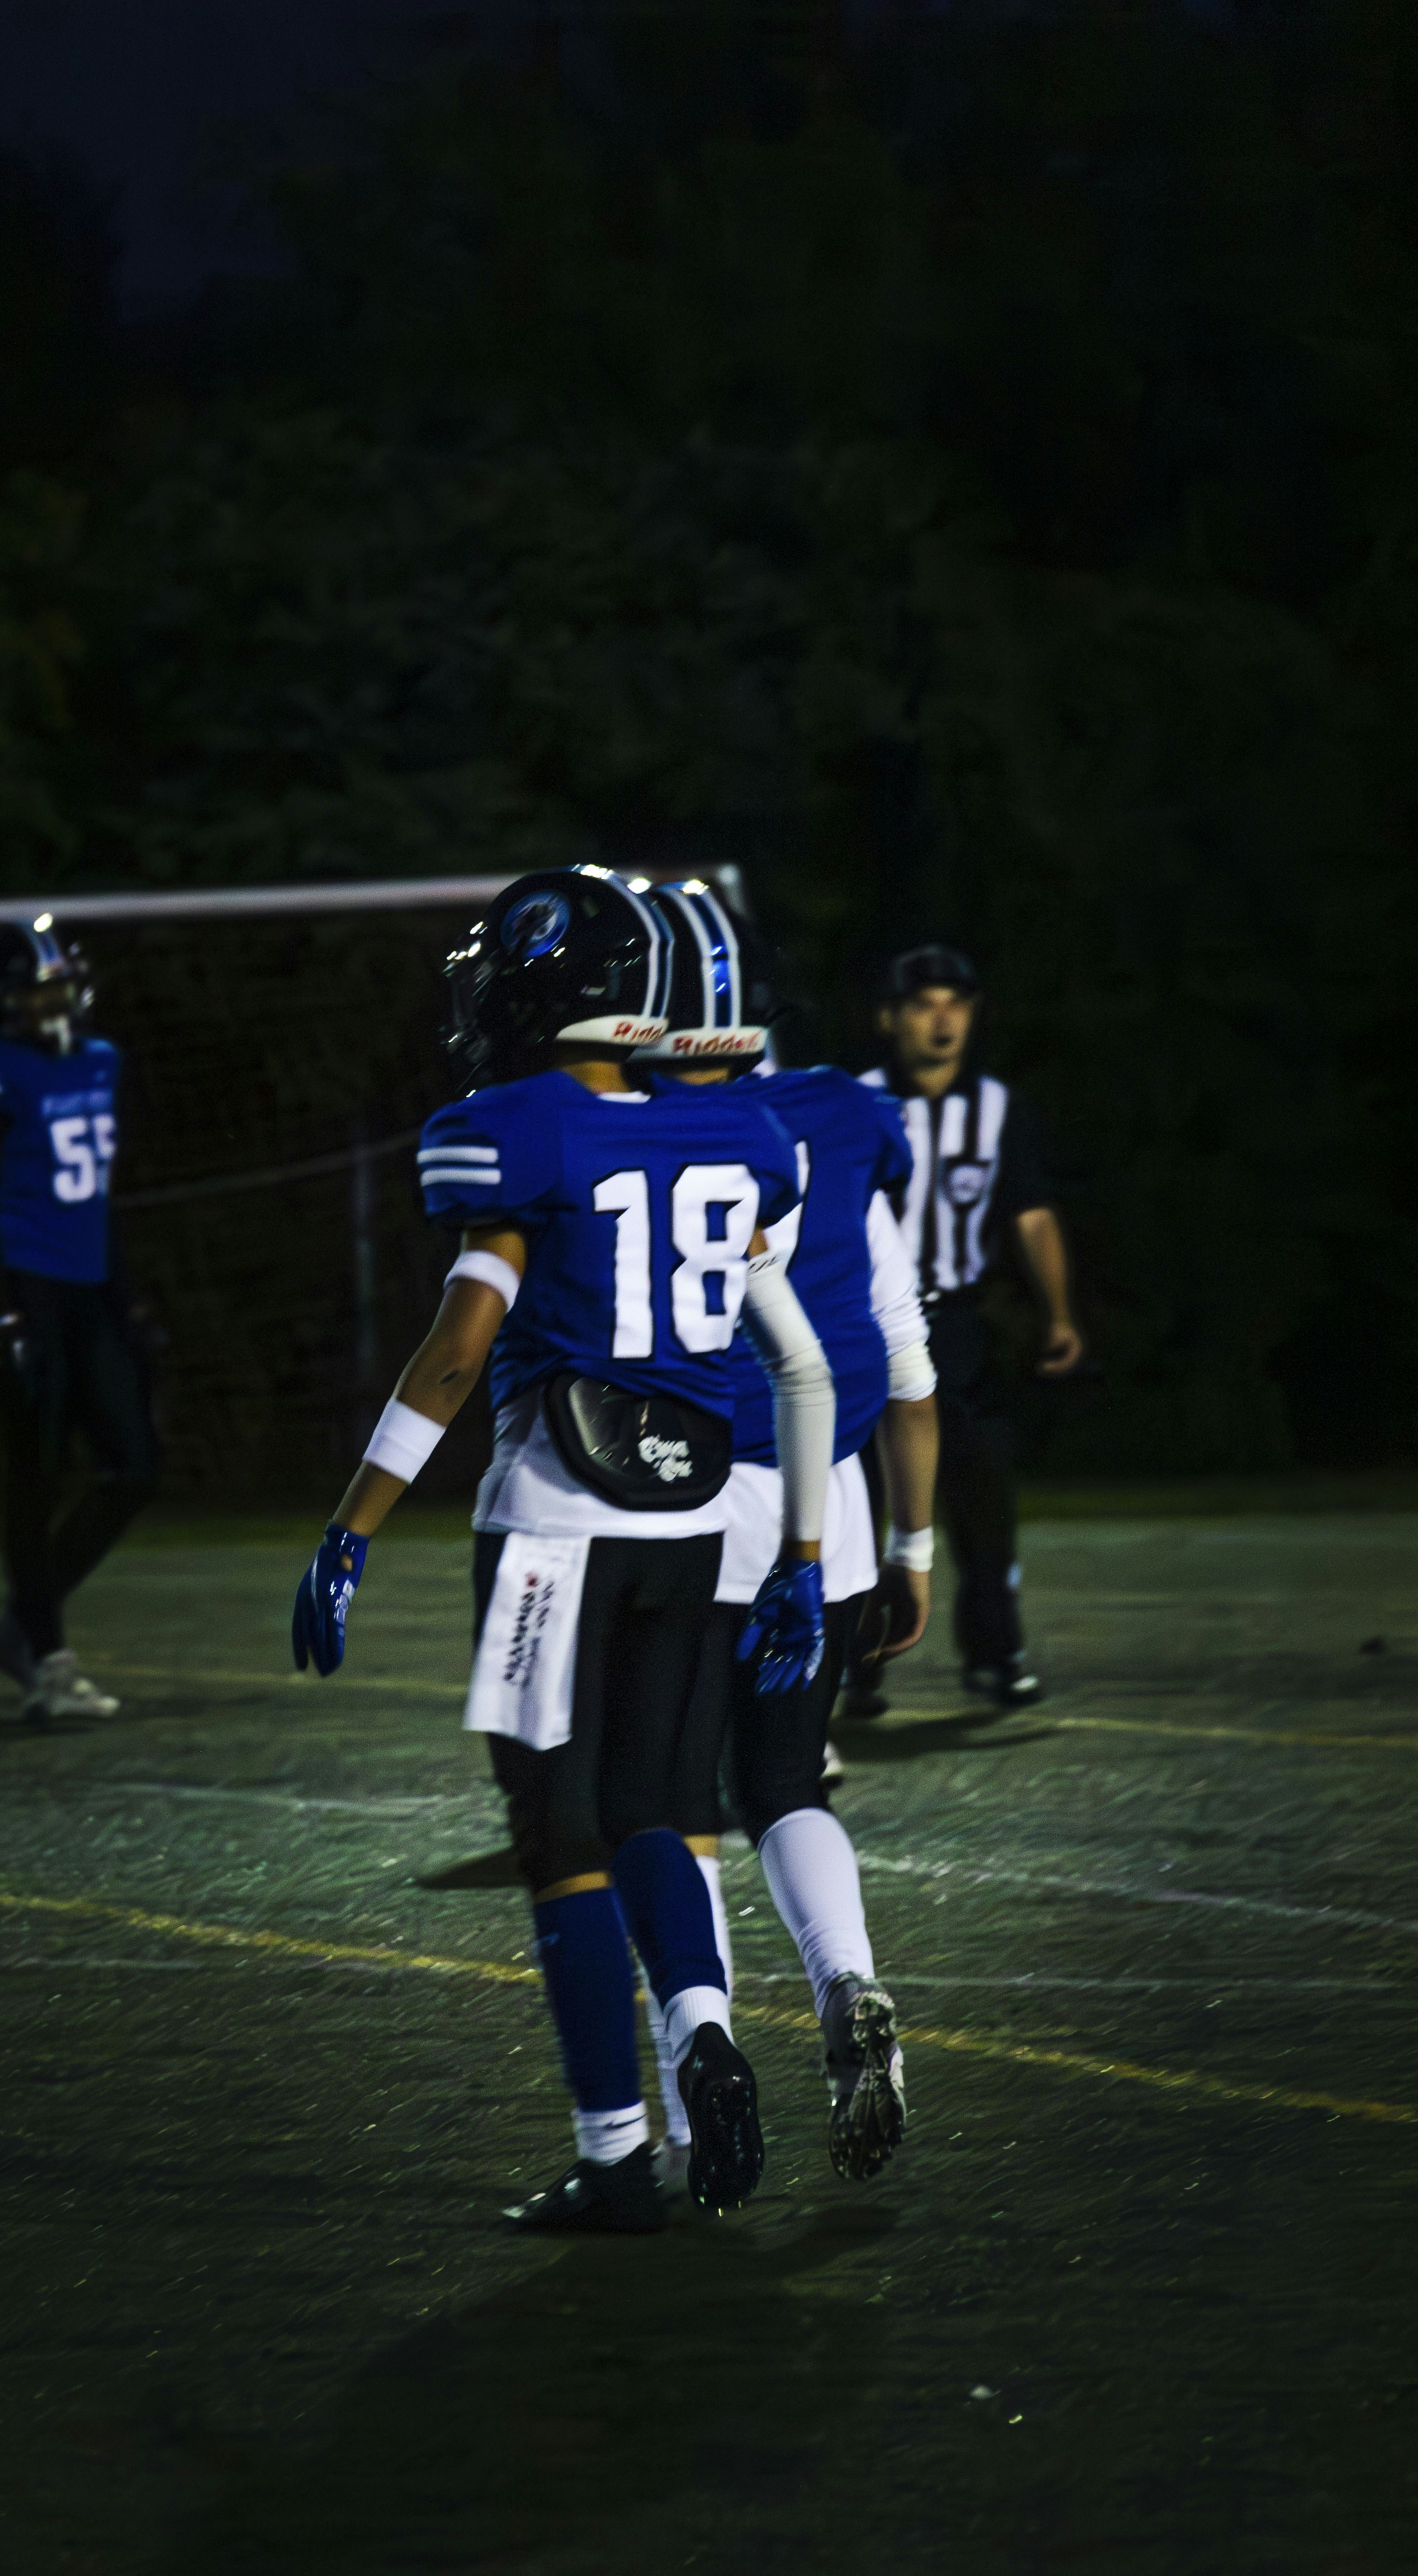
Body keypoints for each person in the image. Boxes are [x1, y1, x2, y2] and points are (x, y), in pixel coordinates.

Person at [290, 865, 837, 2234]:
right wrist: (809, 1556)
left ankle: (613, 2153)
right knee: (663, 1808)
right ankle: (704, 2025)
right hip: (701, 1524)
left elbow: (459, 1352)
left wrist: (351, 1528)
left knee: (560, 1838)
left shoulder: (511, 1129)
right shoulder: (748, 1135)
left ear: (542, 986)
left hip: (556, 1525)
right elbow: (779, 1334)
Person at [632, 881, 939, 2187]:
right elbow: (903, 1348)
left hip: (680, 1495)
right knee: (787, 1783)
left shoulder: (612, 1125)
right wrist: (915, 1549)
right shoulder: (851, 1115)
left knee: (662, 1801)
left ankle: (694, 2082)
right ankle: (850, 1981)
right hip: (836, 1506)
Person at [0, 918, 159, 1724]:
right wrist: (3, 1312)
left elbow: (102, 1194)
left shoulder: (102, 1060)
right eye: (37, 992)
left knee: (134, 1466)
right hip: (29, 1288)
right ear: (3, 1003)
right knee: (35, 1477)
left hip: (89, 1286)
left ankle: (20, 1623)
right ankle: (47, 1657)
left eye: (60, 987)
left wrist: (125, 1298)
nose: (54, 1004)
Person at [860, 943, 1084, 1709]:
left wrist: (1057, 1313)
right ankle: (857, 1660)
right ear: (889, 1018)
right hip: (864, 1329)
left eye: (957, 1001)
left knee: (985, 1501)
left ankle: (996, 1649)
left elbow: (1031, 1212)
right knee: (856, 1503)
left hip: (956, 1326)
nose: (944, 1016)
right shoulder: (854, 1103)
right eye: (925, 1002)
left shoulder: (995, 1108)